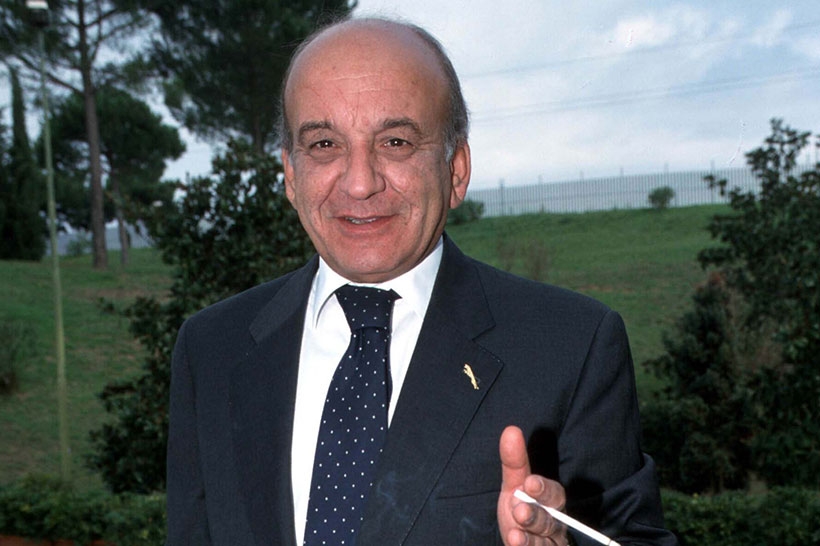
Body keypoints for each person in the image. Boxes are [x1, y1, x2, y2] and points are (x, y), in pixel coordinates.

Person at [165, 16, 678, 546]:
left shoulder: (570, 347)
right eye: (323, 144)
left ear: (456, 170)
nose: (359, 183)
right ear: (291, 175)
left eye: (395, 142)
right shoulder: (211, 350)